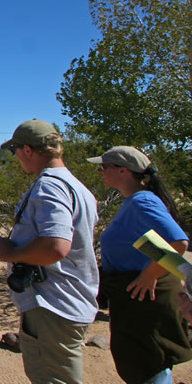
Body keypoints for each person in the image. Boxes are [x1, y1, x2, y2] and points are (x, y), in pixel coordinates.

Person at [0, 119, 99, 384]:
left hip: (53, 305)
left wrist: (9, 254)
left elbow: (56, 246)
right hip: (70, 300)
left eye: (15, 151)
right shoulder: (78, 186)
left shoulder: (49, 186)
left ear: (27, 150)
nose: (16, 157)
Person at [88, 146, 192, 384]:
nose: (100, 172)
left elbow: (178, 242)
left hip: (145, 301)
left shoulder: (141, 201)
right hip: (135, 300)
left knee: (149, 366)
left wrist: (150, 274)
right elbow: (151, 244)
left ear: (124, 170)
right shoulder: (135, 201)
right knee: (144, 365)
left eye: (104, 167)